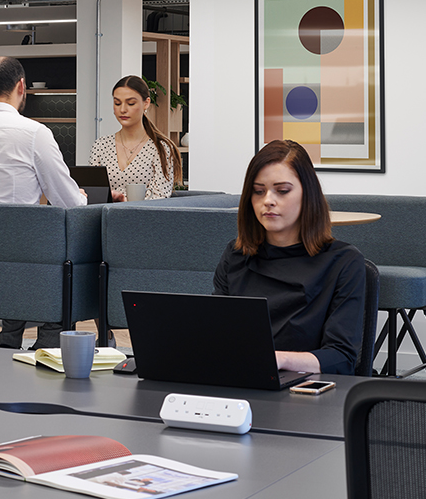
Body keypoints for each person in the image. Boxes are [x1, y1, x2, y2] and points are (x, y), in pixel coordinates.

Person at [0, 56, 87, 350]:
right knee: (59, 259)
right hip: (21, 265)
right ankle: (48, 344)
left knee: (19, 246)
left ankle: (9, 342)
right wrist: (81, 197)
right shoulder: (34, 134)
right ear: (22, 87)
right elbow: (70, 203)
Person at [212, 140, 365, 375]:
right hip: (240, 380)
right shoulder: (236, 255)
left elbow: (342, 358)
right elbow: (216, 334)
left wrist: (278, 359)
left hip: (305, 390)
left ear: (308, 193)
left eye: (282, 191)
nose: (268, 201)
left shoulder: (343, 262)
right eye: (258, 191)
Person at [88, 75, 182, 201]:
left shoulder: (161, 148)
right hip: (104, 217)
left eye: (131, 103)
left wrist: (124, 200)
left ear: (146, 103)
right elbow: (92, 192)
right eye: (117, 103)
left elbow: (160, 197)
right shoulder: (100, 145)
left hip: (142, 218)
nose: (122, 109)